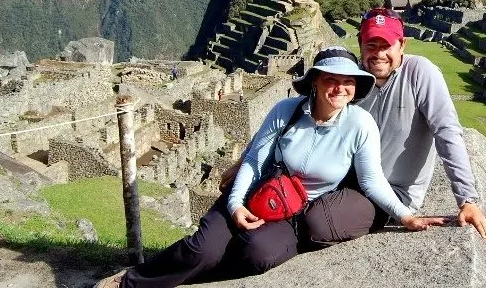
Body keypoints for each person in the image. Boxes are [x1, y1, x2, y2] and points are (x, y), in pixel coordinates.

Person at [95, 47, 443, 288]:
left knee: (257, 255)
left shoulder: (361, 125)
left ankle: (180, 276)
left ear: (356, 85)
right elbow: (254, 160)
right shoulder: (287, 110)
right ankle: (131, 281)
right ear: (316, 82)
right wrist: (235, 205)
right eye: (331, 79)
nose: (340, 87)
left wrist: (404, 215)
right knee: (204, 247)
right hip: (254, 190)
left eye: (348, 81)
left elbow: (371, 181)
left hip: (293, 210)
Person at [350, 7, 486, 242]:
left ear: (402, 44)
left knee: (321, 223)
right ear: (360, 43)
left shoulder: (420, 73)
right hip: (351, 184)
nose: (378, 54)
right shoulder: (351, 79)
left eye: (386, 46)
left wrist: (467, 199)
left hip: (395, 196)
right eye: (371, 45)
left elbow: (446, 130)